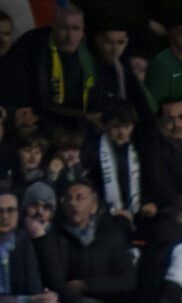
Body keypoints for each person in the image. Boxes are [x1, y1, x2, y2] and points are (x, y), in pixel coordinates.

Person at [36, 179, 136, 303]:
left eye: (80, 198)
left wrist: (86, 285)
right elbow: (57, 285)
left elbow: (127, 281)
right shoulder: (55, 239)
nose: (73, 203)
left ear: (93, 205)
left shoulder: (110, 235)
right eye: (68, 198)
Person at [0, 3, 98, 133]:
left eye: (75, 28)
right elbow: (39, 103)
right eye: (64, 28)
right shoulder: (31, 49)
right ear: (53, 27)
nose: (70, 36)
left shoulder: (86, 55)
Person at [89, 101, 146, 222]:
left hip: (137, 215)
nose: (122, 133)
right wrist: (111, 210)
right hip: (104, 217)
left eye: (127, 126)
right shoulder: (92, 151)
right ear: (105, 125)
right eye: (116, 127)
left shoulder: (140, 148)